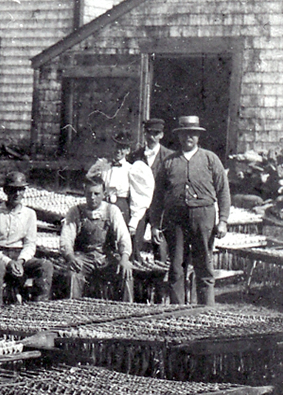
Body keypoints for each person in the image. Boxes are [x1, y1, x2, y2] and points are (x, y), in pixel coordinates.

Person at [148, 115, 231, 306]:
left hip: (203, 219)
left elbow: (223, 192)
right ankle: (178, 310)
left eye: (192, 134)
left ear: (198, 136)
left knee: (204, 265)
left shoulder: (211, 159)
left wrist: (223, 221)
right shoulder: (169, 162)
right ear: (179, 136)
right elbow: (157, 197)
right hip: (175, 220)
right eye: (185, 134)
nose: (188, 138)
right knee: (176, 267)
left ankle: (206, 310)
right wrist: (154, 225)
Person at [0, 172, 53, 308]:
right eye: (13, 189)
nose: (17, 194)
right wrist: (8, 261)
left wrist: (20, 261)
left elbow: (30, 244)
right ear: (5, 190)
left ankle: (40, 307)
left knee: (45, 265)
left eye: (20, 189)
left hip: (19, 256)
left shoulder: (29, 214)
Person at [60, 177, 134, 302]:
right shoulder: (76, 211)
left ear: (104, 194)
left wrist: (125, 259)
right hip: (84, 258)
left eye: (96, 194)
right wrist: (71, 257)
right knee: (72, 274)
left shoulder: (112, 211)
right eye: (89, 194)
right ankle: (71, 310)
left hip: (106, 258)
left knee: (126, 272)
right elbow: (66, 239)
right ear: (84, 193)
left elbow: (123, 237)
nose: (92, 197)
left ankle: (128, 311)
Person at [93, 132, 154, 258]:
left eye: (122, 148)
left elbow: (139, 196)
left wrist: (134, 219)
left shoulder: (131, 169)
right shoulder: (104, 167)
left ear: (127, 151)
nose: (118, 151)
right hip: (105, 205)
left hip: (122, 206)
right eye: (116, 146)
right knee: (103, 239)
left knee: (121, 239)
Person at [130, 118, 174, 260]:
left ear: (161, 135)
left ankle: (158, 281)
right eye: (150, 133)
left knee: (160, 248)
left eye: (156, 133)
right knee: (133, 244)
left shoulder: (170, 157)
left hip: (160, 209)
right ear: (145, 134)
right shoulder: (135, 156)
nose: (153, 137)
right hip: (140, 207)